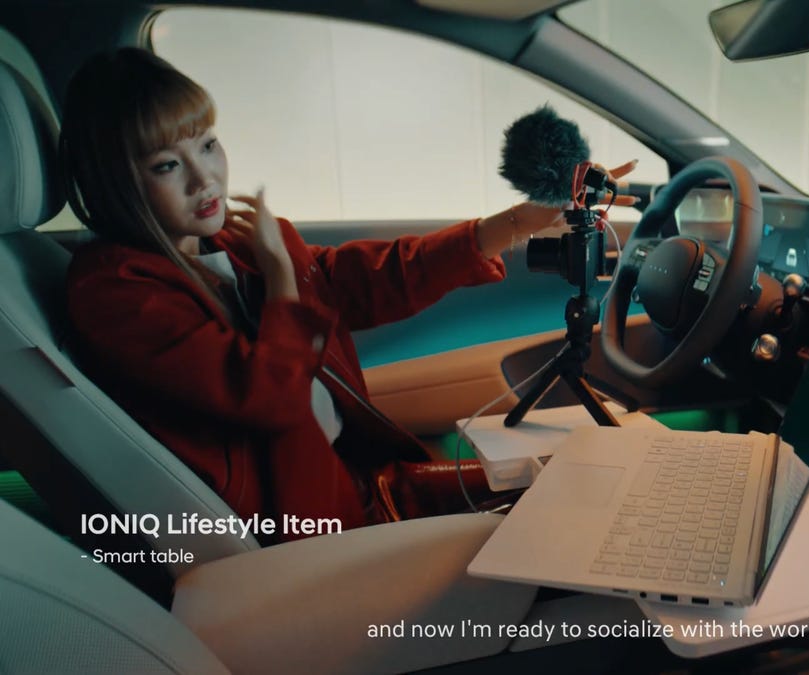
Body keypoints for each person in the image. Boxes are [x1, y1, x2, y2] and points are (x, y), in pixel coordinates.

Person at [60, 47, 637, 540]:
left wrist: (517, 221)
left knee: (591, 485)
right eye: (167, 164)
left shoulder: (228, 243)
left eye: (208, 145)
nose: (204, 178)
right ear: (118, 182)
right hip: (310, 520)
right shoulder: (115, 293)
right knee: (576, 518)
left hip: (363, 479)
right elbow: (268, 397)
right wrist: (282, 275)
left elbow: (361, 281)